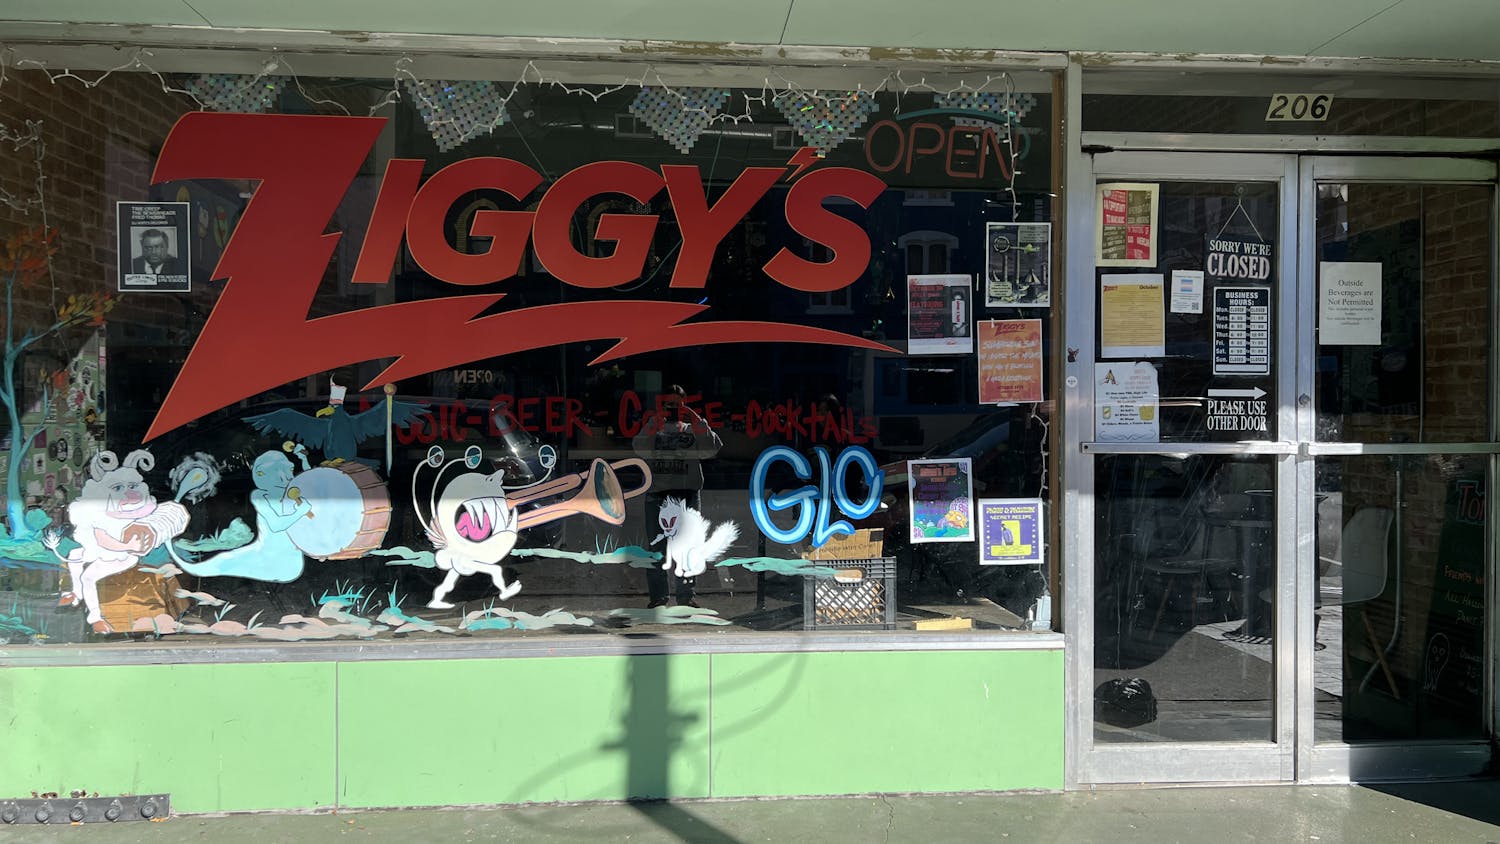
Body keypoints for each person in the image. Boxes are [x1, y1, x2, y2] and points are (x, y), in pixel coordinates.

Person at [632, 384, 723, 608]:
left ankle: (686, 596)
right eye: (668, 405)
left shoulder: (693, 428)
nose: (673, 410)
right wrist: (655, 422)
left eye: (678, 405)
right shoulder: (655, 426)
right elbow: (639, 448)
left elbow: (712, 448)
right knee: (657, 548)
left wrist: (695, 419)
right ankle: (659, 597)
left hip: (686, 493)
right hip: (658, 493)